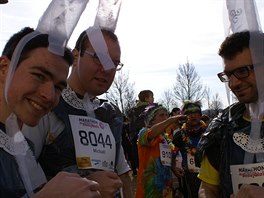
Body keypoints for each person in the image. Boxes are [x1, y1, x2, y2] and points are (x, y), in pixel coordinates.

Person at [27, 28, 132, 198]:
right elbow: (23, 179)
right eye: (99, 58)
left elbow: (123, 175)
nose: (107, 69)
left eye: (114, 63)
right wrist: (88, 184)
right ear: (76, 56)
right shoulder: (47, 105)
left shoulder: (110, 114)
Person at [0, 27, 100, 198]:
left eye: (58, 87)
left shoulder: (24, 147)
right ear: (4, 68)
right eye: (39, 76)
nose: (49, 95)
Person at [197, 31, 264, 198]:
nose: (233, 84)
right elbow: (207, 188)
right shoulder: (221, 128)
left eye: (242, 71)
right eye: (228, 75)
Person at [135, 103, 186, 198]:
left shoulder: (165, 138)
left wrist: (173, 168)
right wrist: (170, 120)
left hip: (166, 186)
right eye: (161, 115)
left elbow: (166, 158)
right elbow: (151, 133)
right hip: (150, 187)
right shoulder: (144, 132)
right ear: (151, 120)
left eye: (167, 115)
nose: (166, 117)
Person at [172, 101, 207, 198]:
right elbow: (173, 153)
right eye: (189, 114)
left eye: (196, 113)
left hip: (208, 175)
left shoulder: (209, 132)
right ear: (184, 117)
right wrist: (173, 167)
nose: (193, 116)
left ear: (200, 115)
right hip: (189, 177)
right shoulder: (179, 135)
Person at [128, 89, 154, 175]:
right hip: (149, 141)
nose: (153, 99)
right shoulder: (151, 110)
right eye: (152, 97)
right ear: (146, 99)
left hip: (136, 141)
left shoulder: (133, 111)